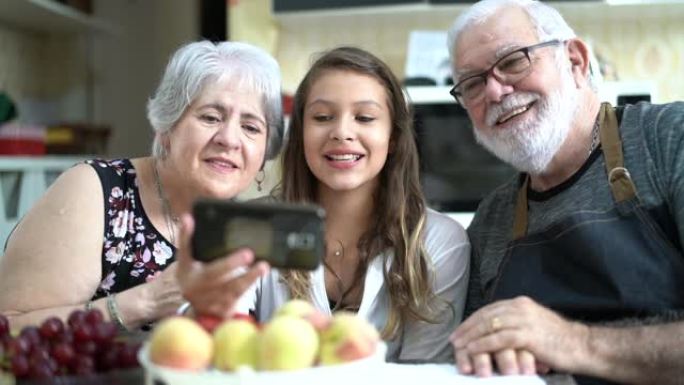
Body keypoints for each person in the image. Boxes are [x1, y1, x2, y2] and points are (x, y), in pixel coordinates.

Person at [177, 46, 471, 362]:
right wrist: (204, 310)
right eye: (322, 117)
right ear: (301, 132)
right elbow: (218, 354)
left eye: (365, 117)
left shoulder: (440, 243)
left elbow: (425, 376)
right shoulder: (251, 228)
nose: (342, 132)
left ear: (394, 137)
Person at [444, 0, 684, 384]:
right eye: (472, 82)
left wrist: (574, 342)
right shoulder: (492, 219)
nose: (493, 90)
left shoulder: (669, 138)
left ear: (574, 60)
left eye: (513, 61)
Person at [0, 40, 284, 331]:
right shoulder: (95, 192)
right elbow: (9, 327)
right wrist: (148, 301)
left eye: (250, 127)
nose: (229, 139)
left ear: (264, 153)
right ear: (166, 128)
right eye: (211, 117)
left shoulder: (245, 230)